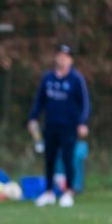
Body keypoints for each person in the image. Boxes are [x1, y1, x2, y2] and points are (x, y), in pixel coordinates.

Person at [27, 43, 90, 208]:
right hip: (51, 125)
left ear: (71, 60)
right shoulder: (48, 79)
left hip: (69, 126)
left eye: (66, 57)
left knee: (68, 159)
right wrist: (33, 118)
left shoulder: (76, 79)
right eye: (60, 56)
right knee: (50, 159)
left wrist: (82, 122)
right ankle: (49, 192)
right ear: (56, 58)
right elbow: (40, 101)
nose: (62, 59)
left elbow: (85, 103)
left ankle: (68, 192)